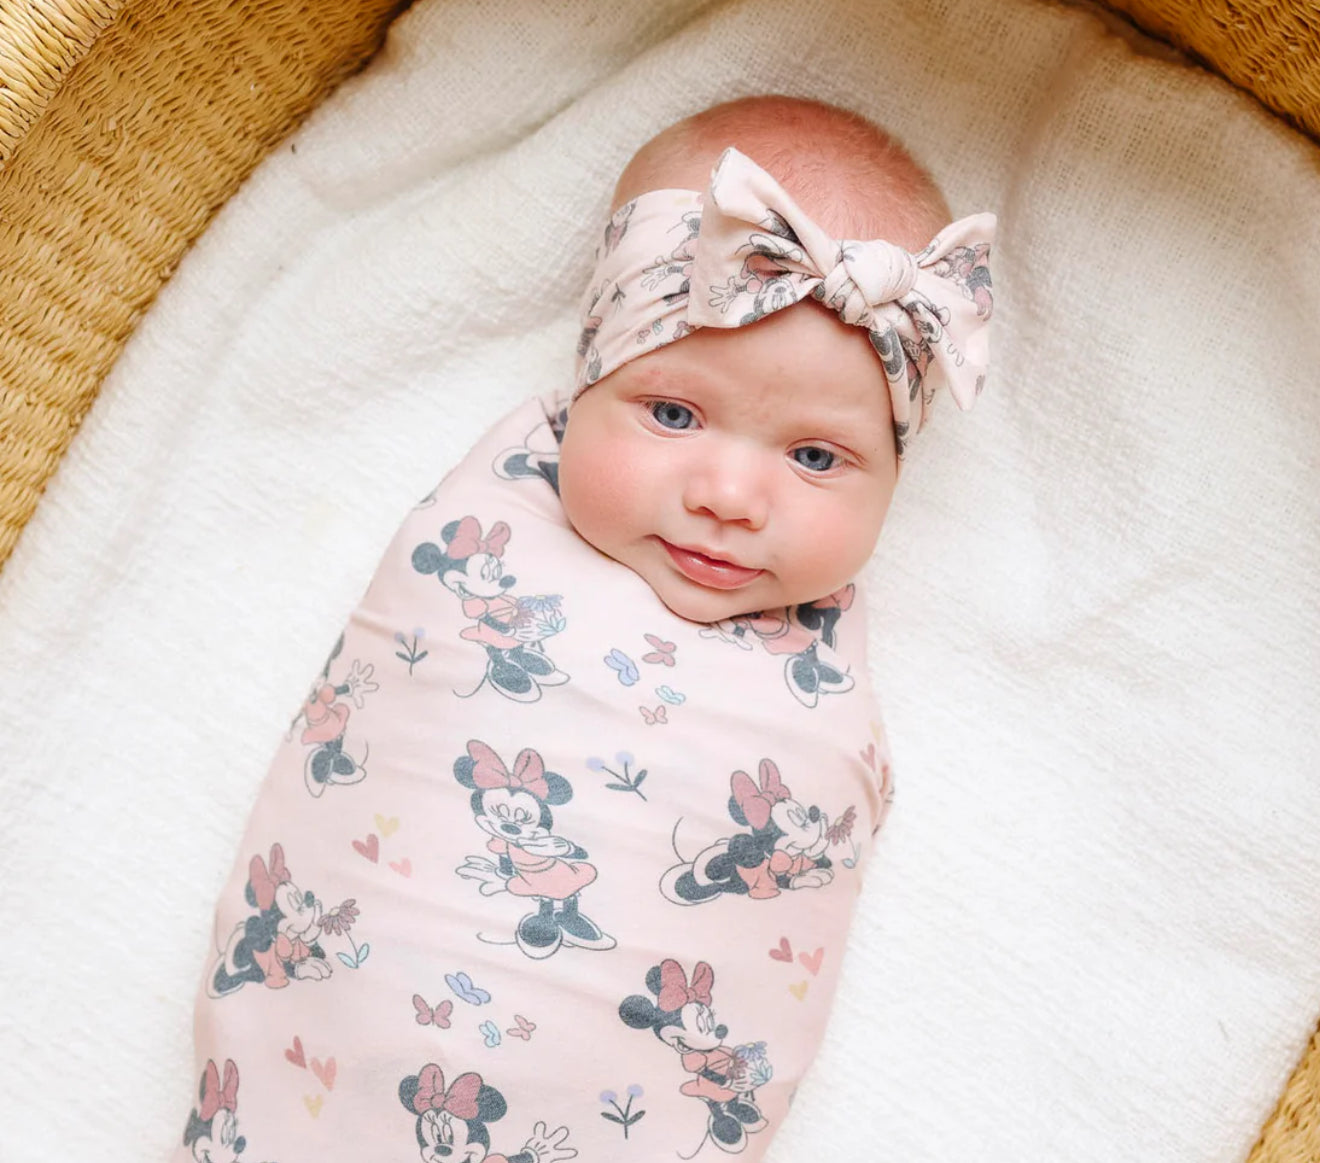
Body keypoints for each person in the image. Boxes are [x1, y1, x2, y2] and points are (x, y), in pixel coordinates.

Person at [174, 95, 994, 1162]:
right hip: (313, 1088)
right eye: (674, 414)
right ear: (591, 373)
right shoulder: (499, 520)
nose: (729, 494)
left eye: (814, 456)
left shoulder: (823, 668)